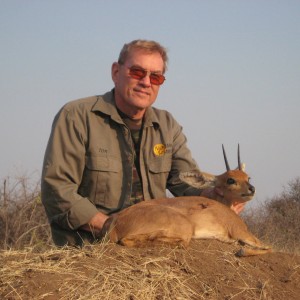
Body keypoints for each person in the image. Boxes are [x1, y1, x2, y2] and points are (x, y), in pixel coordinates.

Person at [41, 39, 243, 247]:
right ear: (116, 72)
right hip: (91, 249)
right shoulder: (77, 116)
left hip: (153, 246)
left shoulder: (167, 125)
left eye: (155, 77)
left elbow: (187, 182)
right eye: (137, 72)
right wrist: (113, 227)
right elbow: (57, 188)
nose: (146, 82)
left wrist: (218, 197)